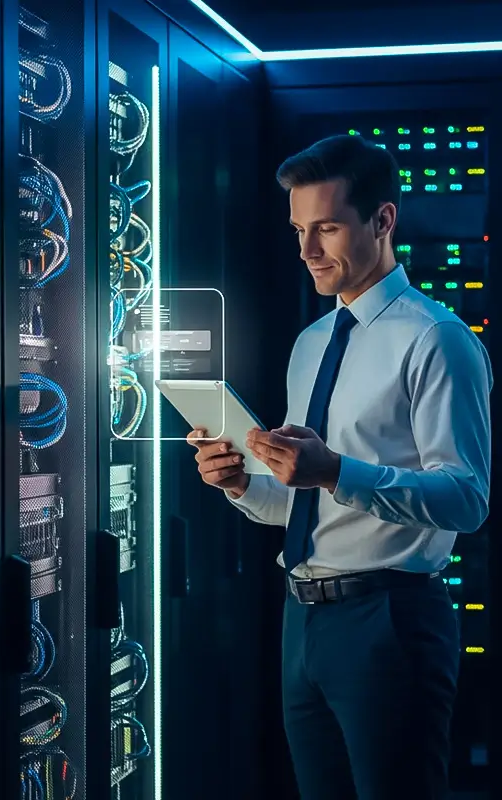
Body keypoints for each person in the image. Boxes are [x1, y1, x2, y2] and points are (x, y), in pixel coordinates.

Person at [187, 134, 492, 800]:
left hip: (391, 622)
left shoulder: (437, 339)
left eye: (325, 228)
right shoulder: (313, 341)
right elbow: (305, 503)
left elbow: (467, 499)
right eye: (298, 230)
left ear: (383, 221)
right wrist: (244, 483)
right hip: (303, 620)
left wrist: (332, 471)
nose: (306, 251)